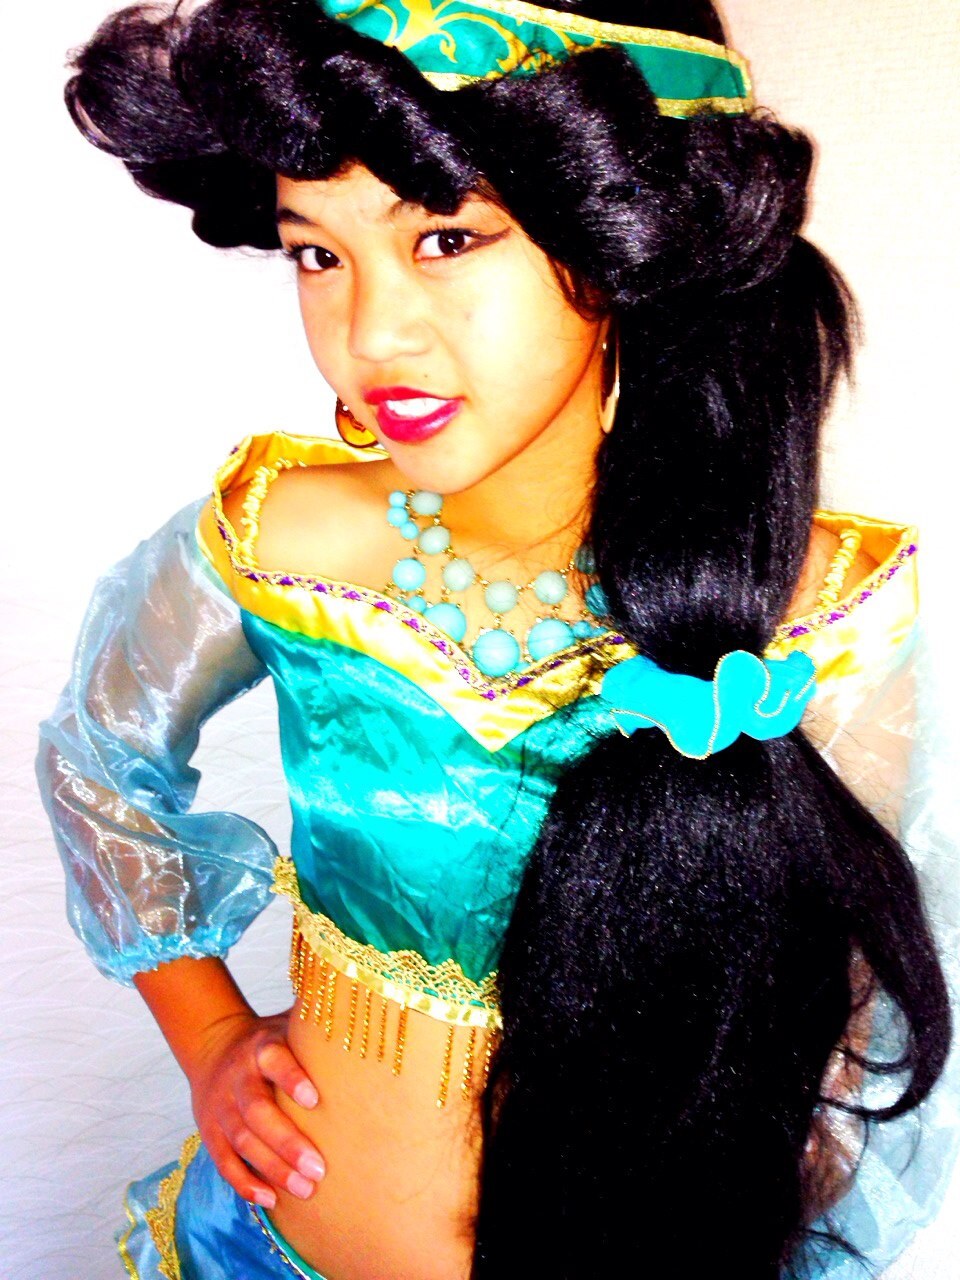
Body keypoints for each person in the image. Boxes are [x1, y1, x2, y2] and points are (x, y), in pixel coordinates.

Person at [36, 0, 959, 1277]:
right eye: (318, 253)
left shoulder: (817, 609)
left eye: (447, 237)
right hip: (253, 1246)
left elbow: (865, 1016)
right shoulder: (285, 538)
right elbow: (97, 756)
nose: (371, 333)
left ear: (624, 239)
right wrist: (208, 1037)